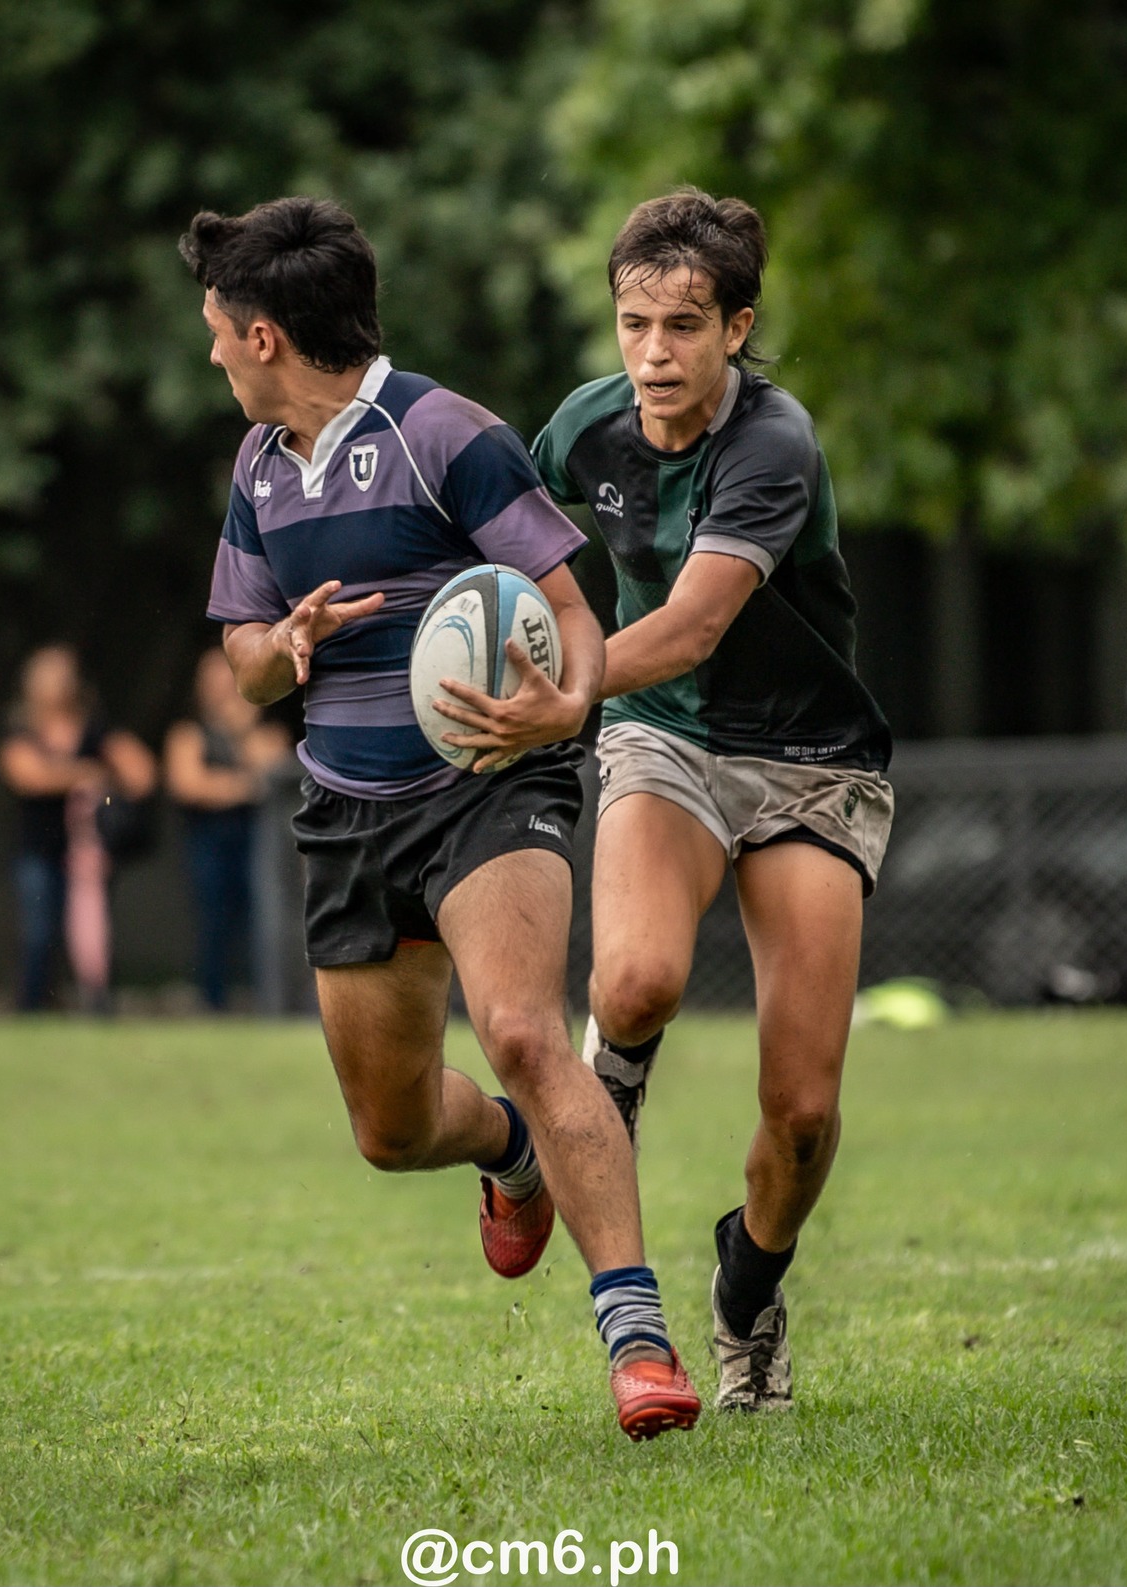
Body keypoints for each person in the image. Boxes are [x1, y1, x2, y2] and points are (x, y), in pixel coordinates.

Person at [186, 195, 699, 1439]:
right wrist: (285, 644)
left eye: (213, 329)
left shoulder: (440, 433)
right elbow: (244, 670)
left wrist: (563, 707)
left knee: (525, 1029)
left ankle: (637, 1337)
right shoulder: (258, 472)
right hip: (346, 813)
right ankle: (510, 1155)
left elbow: (568, 607)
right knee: (391, 1126)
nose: (205, 352)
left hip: (485, 783)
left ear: (263, 336)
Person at [521, 188, 896, 1413]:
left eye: (683, 326)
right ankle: (578, 1131)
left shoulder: (772, 447)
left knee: (798, 1116)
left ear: (736, 328)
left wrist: (560, 688)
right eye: (633, 324)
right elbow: (487, 523)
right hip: (661, 743)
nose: (652, 355)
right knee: (631, 983)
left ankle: (747, 1291)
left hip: (805, 763)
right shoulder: (586, 428)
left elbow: (687, 626)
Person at [0, 645, 158, 1015]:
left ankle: (97, 1004)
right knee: (39, 932)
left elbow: (142, 773)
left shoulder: (95, 728)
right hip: (37, 849)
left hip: (88, 852)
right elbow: (28, 777)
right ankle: (33, 1006)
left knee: (93, 932)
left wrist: (101, 779)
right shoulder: (19, 730)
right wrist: (89, 773)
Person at [164, 647, 291, 1010]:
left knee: (266, 921)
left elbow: (274, 765)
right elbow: (189, 785)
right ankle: (213, 1001)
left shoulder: (265, 729)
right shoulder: (188, 732)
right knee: (213, 924)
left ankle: (268, 1001)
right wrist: (246, 786)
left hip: (261, 842)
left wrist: (242, 730)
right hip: (208, 841)